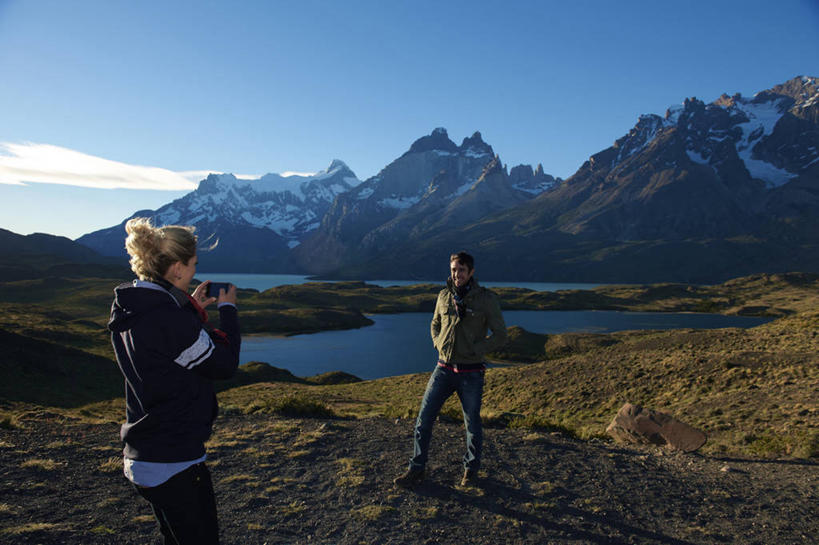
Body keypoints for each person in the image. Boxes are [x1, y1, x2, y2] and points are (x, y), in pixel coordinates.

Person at [108, 217, 240, 545]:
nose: (195, 271)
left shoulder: (131, 307)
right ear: (178, 268)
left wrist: (190, 306)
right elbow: (223, 364)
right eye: (193, 265)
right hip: (173, 459)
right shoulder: (168, 319)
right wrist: (229, 312)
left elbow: (170, 350)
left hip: (145, 452)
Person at [394, 251, 507, 488]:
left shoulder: (486, 299)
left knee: (472, 425)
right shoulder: (443, 296)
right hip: (443, 369)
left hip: (471, 373)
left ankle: (471, 471)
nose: (457, 274)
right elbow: (435, 324)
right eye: (454, 269)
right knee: (423, 420)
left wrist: (478, 348)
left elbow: (500, 335)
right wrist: (437, 343)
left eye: (462, 270)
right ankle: (416, 468)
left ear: (471, 272)